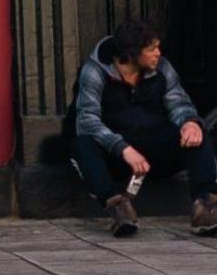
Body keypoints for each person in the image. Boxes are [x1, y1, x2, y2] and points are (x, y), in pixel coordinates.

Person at [69, 19, 217, 237]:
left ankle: (205, 205)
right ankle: (118, 207)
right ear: (131, 53)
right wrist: (123, 148)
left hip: (155, 146)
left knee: (197, 132)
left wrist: (189, 122)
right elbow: (87, 121)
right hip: (117, 153)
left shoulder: (162, 67)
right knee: (82, 145)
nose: (158, 53)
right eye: (151, 49)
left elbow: (178, 103)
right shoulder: (95, 71)